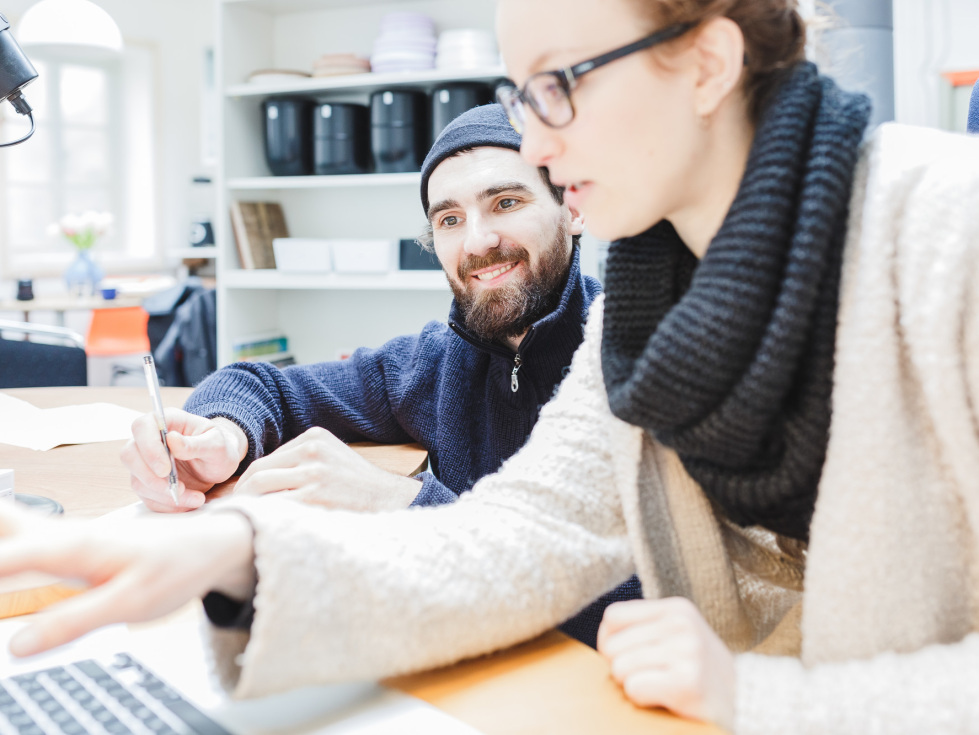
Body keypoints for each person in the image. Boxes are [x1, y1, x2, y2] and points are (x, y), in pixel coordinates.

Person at [2, 1, 979, 733]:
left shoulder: (949, 238)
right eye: (523, 97)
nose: (542, 143)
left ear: (706, 62)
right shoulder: (647, 306)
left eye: (560, 84)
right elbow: (535, 532)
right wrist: (238, 548)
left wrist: (759, 696)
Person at [120, 103, 641, 648]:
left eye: (506, 203)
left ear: (573, 209)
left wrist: (400, 504)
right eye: (450, 220)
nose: (477, 241)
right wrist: (224, 436)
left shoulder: (643, 363)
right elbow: (263, 385)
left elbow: (648, 608)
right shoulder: (435, 362)